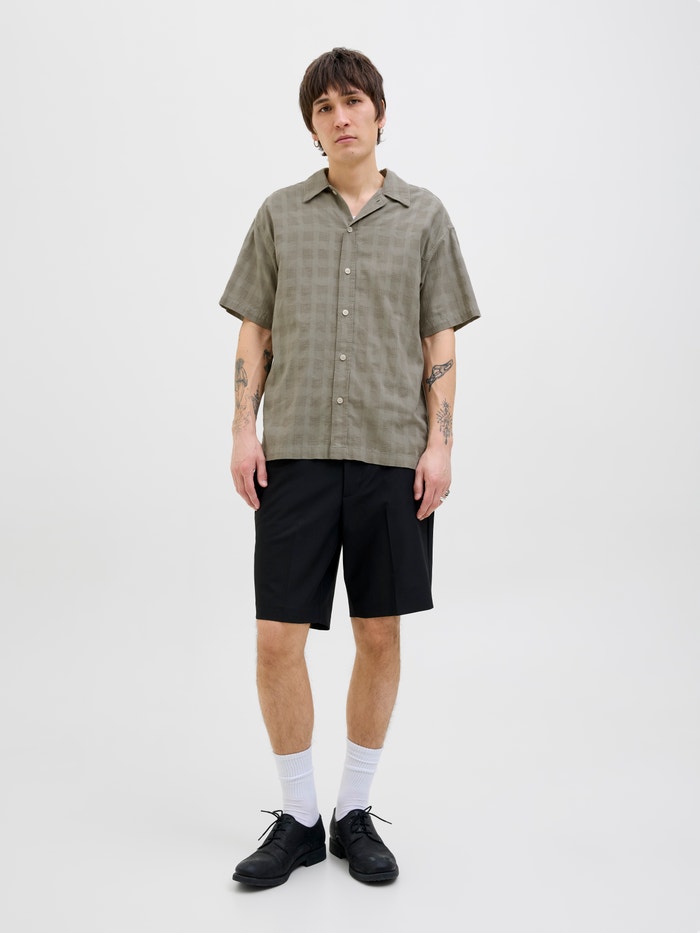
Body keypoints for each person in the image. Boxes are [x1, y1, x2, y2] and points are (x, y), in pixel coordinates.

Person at [219, 47, 480, 887]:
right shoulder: (278, 213)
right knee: (276, 638)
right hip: (293, 452)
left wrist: (440, 443)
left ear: (379, 113)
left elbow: (439, 337)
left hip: (390, 456)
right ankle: (298, 818)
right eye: (325, 106)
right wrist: (242, 429)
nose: (341, 117)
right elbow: (254, 329)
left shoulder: (425, 216)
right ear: (312, 125)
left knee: (379, 632)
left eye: (354, 102)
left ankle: (354, 810)